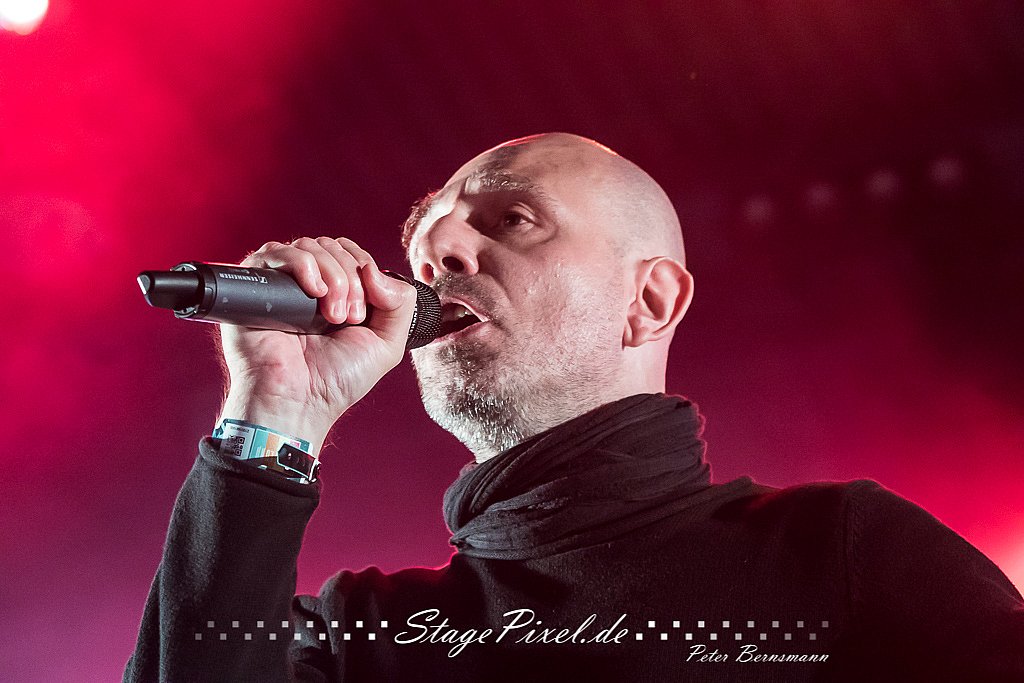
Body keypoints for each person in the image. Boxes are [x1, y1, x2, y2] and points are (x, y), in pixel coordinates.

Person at [125, 133, 1024, 682]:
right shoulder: (362, 634)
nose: (438, 256)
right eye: (426, 247)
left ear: (650, 300)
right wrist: (275, 412)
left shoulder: (836, 553)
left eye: (512, 218)